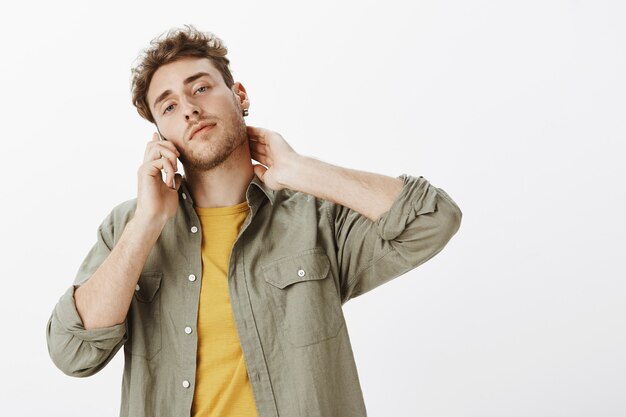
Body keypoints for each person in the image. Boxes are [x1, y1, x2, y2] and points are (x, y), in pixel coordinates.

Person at [46, 24, 463, 417]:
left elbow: (433, 218)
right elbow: (72, 353)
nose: (190, 109)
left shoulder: (316, 217)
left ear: (240, 94)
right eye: (169, 106)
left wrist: (302, 170)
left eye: (202, 88)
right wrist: (145, 225)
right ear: (159, 135)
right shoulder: (130, 227)